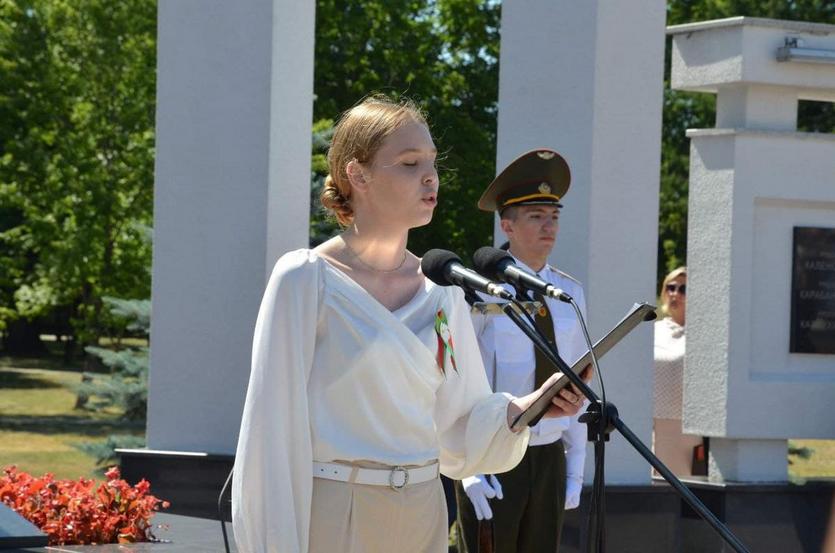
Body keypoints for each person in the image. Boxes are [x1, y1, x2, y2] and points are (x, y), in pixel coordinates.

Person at [231, 96, 587, 553]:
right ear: (357, 175)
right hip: (338, 513)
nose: (430, 176)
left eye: (432, 162)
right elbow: (269, 437)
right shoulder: (307, 279)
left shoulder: (443, 291)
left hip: (424, 512)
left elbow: (459, 424)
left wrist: (530, 408)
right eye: (408, 162)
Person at [455, 149, 590, 553]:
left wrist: (576, 468)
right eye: (535, 216)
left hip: (549, 455)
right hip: (494, 454)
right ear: (507, 224)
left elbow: (579, 383)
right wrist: (469, 469)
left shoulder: (569, 293)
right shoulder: (475, 290)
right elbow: (460, 381)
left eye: (554, 216)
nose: (549, 226)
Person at [652, 266, 701, 476]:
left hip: (688, 427)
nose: (675, 294)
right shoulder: (654, 331)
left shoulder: (703, 334)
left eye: (683, 289)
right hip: (653, 423)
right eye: (671, 288)